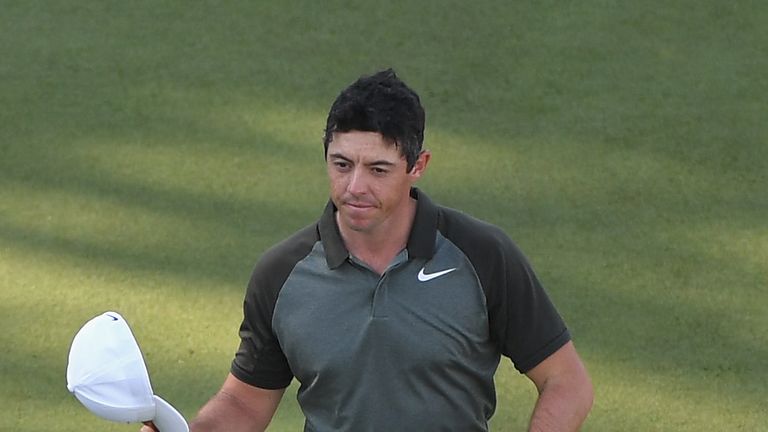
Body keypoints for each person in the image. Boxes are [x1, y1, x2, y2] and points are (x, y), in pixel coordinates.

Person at [143, 69, 593, 432]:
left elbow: (566, 382)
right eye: (341, 164)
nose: (355, 187)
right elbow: (244, 403)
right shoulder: (282, 273)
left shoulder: (482, 255)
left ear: (418, 166)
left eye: (378, 169)